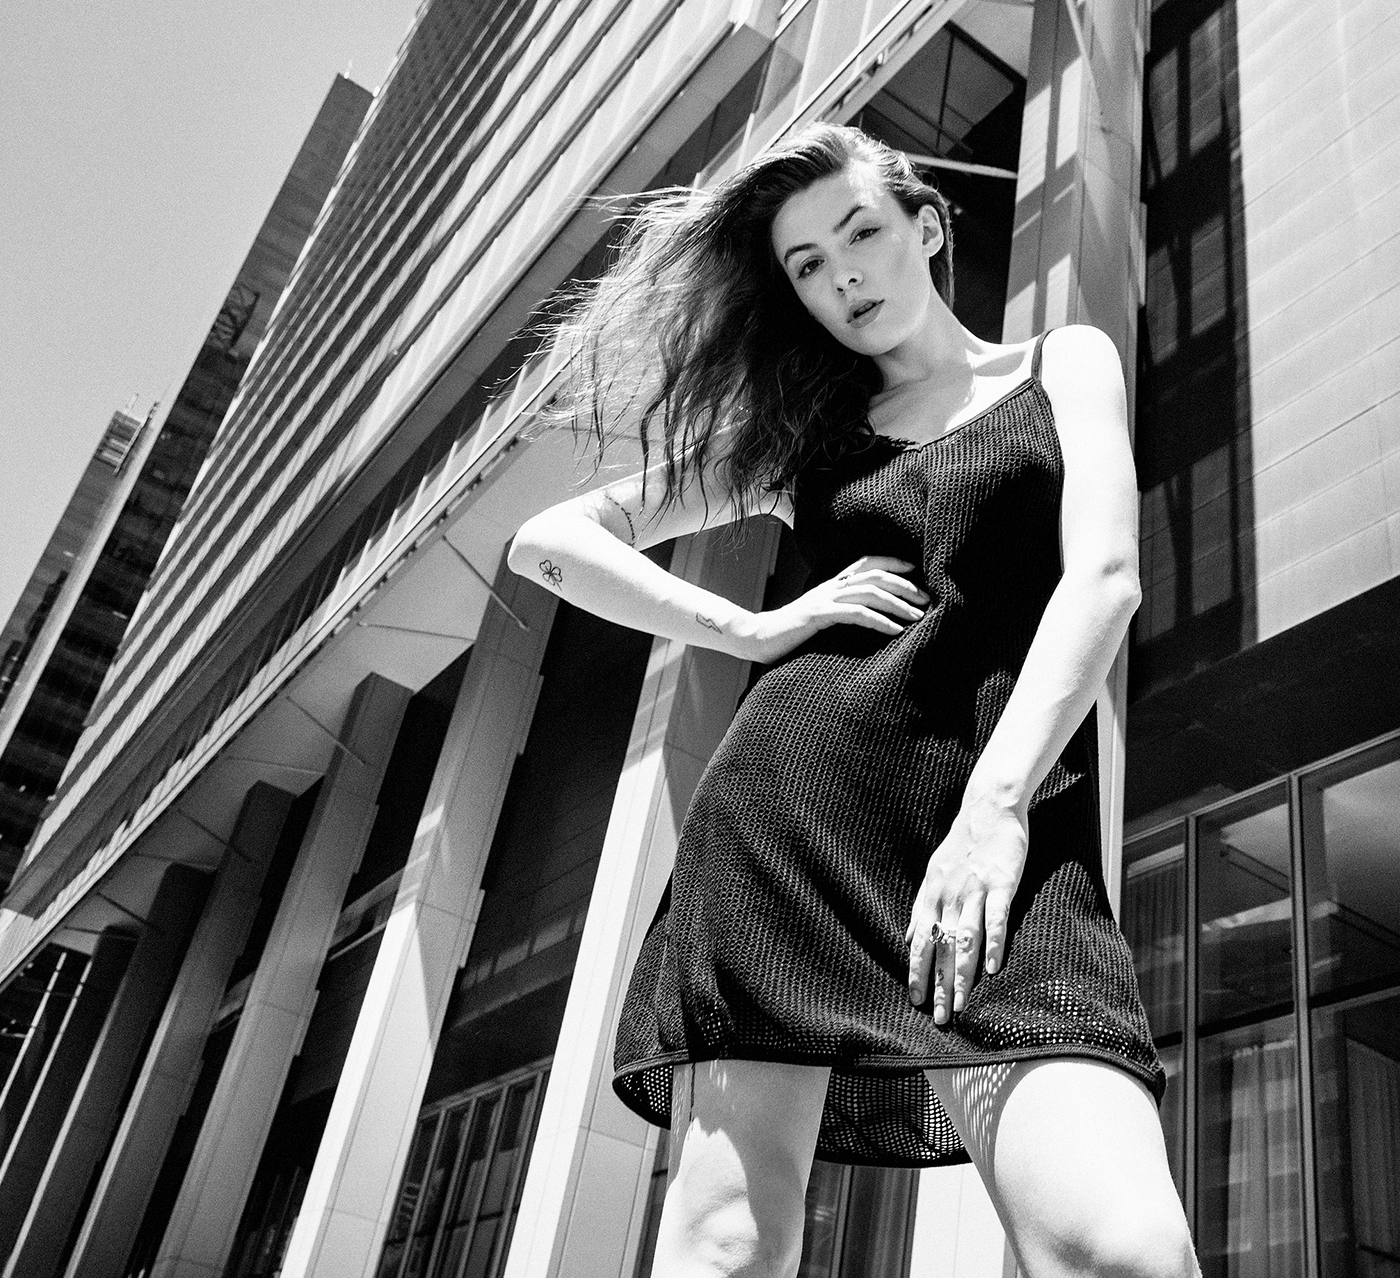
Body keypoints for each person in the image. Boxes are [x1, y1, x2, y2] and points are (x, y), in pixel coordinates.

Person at [508, 122, 1197, 1278]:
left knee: (1121, 1246)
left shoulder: (1061, 361)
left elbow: (1107, 577)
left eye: (861, 233)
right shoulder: (804, 442)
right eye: (808, 265)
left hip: (1001, 827)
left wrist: (995, 808)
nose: (843, 277)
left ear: (926, 228)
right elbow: (549, 540)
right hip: (791, 830)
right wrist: (752, 627)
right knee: (729, 1246)